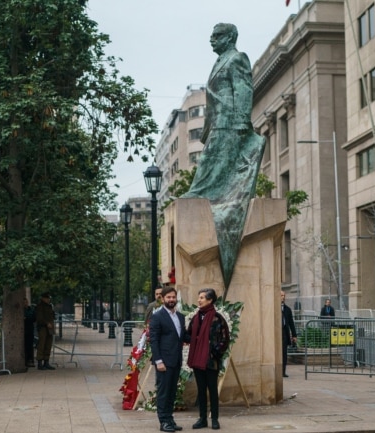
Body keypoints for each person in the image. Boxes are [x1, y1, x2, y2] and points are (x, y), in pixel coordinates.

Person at [182, 23, 265, 289]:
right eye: (212, 35)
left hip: (231, 124)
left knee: (209, 164)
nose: (211, 39)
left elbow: (243, 90)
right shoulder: (220, 61)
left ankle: (201, 194)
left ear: (229, 37)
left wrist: (242, 121)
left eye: (216, 36)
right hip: (218, 124)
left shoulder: (237, 58)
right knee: (208, 162)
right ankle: (201, 194)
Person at [187, 288, 229, 430]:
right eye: (199, 297)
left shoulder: (218, 318)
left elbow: (224, 339)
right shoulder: (196, 318)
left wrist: (213, 352)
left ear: (210, 300)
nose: (199, 300)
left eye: (202, 298)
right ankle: (202, 419)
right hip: (197, 360)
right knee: (201, 390)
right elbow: (188, 334)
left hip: (211, 361)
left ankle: (215, 419)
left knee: (212, 390)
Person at [149, 287, 189, 432]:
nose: (171, 300)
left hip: (176, 361)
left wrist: (200, 335)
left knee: (172, 392)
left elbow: (183, 337)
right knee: (163, 392)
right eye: (168, 297)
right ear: (163, 299)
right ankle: (163, 422)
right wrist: (158, 361)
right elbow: (153, 340)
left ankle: (170, 419)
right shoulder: (157, 316)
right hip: (163, 362)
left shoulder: (180, 316)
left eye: (173, 297)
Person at [35, 292, 56, 371]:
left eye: (49, 298)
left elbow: (52, 316)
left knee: (48, 345)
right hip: (43, 328)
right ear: (43, 298)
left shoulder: (50, 306)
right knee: (42, 345)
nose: (48, 300)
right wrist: (47, 323)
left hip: (50, 328)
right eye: (47, 298)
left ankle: (46, 362)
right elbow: (39, 318)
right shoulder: (40, 306)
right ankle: (40, 363)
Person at [280, 291, 297, 378]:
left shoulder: (287, 309)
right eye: (281, 295)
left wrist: (294, 335)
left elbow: (291, 323)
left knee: (284, 353)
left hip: (284, 333)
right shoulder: (274, 308)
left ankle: (283, 371)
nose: (283, 297)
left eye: (284, 295)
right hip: (276, 333)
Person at [24, 297, 36, 367]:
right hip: (24, 330)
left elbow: (34, 318)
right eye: (24, 302)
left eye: (26, 302)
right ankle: (26, 360)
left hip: (29, 329)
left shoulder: (31, 309)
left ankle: (30, 360)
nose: (25, 304)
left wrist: (27, 318)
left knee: (30, 345)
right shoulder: (21, 310)